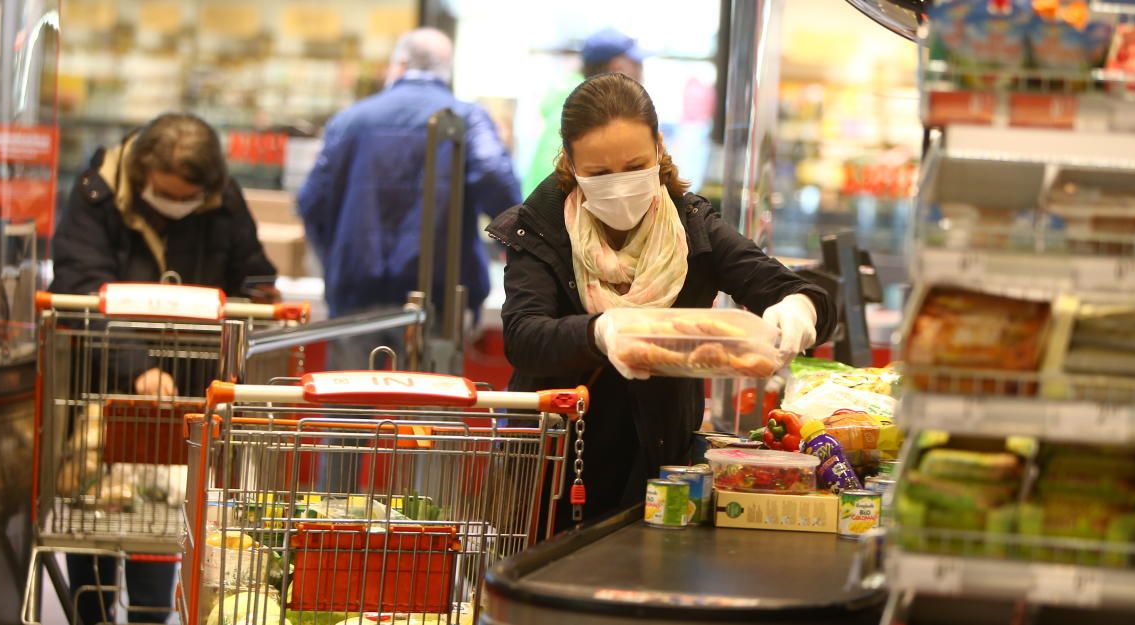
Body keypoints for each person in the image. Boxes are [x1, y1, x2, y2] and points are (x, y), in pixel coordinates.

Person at [488, 73, 836, 532]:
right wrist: (602, 332)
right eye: (599, 174)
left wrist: (799, 310)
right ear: (571, 165)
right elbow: (524, 336)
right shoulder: (540, 231)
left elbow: (802, 293)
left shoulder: (694, 231)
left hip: (657, 473)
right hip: (549, 474)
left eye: (634, 166)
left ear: (658, 148)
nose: (620, 185)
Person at [50, 112, 277, 624]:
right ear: (141, 173)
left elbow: (253, 268)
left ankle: (149, 614)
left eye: (188, 198)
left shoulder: (222, 196)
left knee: (163, 518)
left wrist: (260, 295)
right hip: (103, 389)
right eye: (169, 195)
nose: (179, 207)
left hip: (189, 397)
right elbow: (81, 286)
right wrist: (137, 367)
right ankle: (92, 612)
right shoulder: (97, 195)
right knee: (93, 519)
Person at [298, 27, 521, 366]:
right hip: (440, 294)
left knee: (347, 407)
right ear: (445, 69)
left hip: (357, 291)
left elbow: (311, 201)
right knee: (427, 409)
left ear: (399, 63)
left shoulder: (351, 120)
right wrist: (512, 250)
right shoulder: (464, 119)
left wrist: (335, 260)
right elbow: (496, 182)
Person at [524, 28, 646, 198]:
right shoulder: (588, 108)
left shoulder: (569, 96)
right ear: (617, 67)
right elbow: (555, 172)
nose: (641, 75)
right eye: (637, 65)